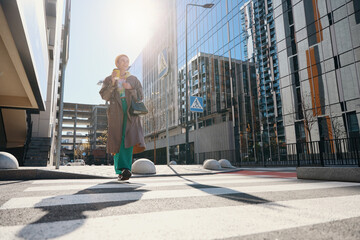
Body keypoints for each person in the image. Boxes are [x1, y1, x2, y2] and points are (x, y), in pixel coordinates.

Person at [99, 54, 145, 180]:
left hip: (130, 110)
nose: (125, 63)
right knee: (118, 138)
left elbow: (141, 96)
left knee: (128, 138)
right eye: (122, 61)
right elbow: (104, 96)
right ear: (117, 63)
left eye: (127, 61)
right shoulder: (109, 78)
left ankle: (125, 169)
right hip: (116, 111)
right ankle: (120, 170)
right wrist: (113, 84)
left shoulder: (133, 79)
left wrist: (131, 88)